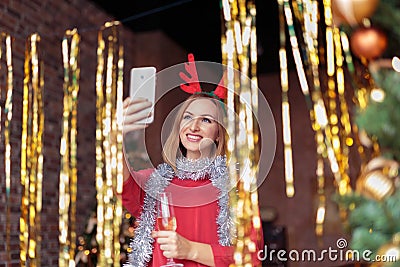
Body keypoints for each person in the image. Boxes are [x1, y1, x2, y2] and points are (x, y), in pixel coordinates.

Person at [120, 54, 262, 267]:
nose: (193, 126)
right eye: (187, 117)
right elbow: (118, 180)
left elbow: (252, 255)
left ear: (218, 133)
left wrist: (191, 250)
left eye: (205, 119)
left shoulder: (237, 189)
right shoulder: (155, 184)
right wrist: (119, 134)